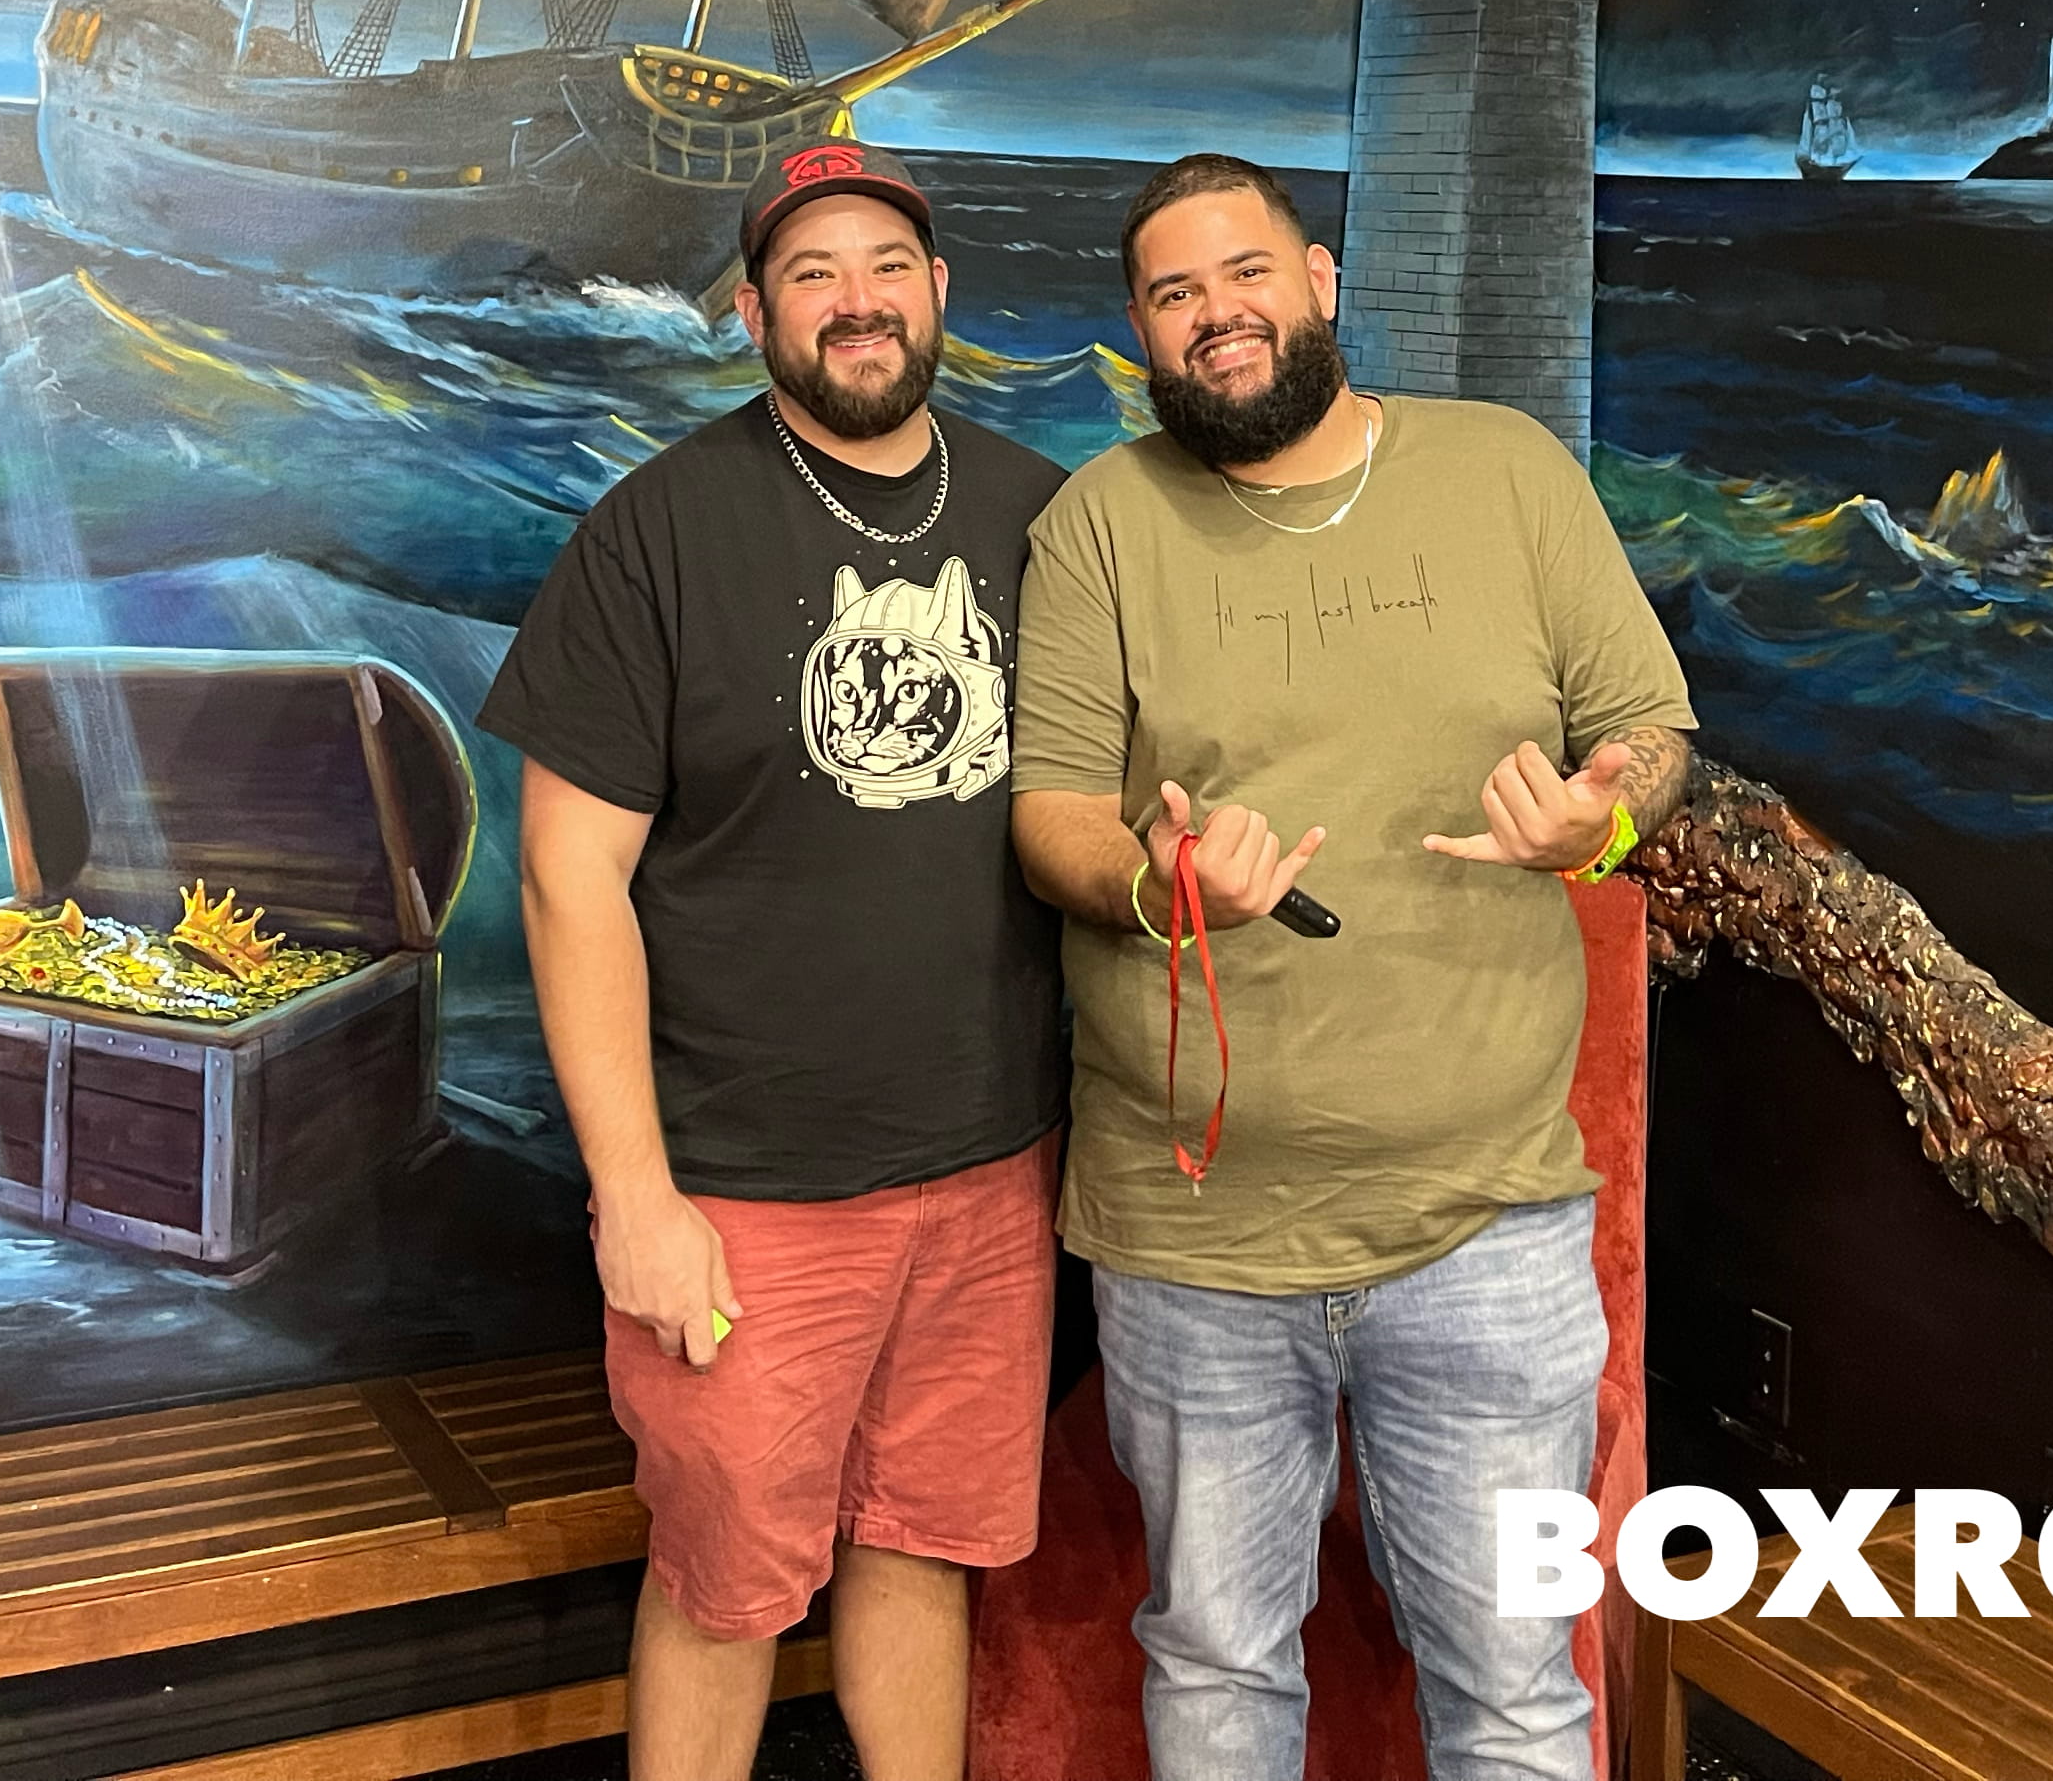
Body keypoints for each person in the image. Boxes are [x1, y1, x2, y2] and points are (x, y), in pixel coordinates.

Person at [1007, 153, 1698, 1781]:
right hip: (1194, 1233)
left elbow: (1650, 730)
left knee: (1517, 1691)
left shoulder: (1505, 470)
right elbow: (1049, 817)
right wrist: (1156, 883)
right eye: (1174, 294)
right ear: (1141, 329)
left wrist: (1597, 821)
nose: (1216, 315)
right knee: (1217, 1664)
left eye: (1245, 273)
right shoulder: (1099, 522)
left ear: (1320, 278)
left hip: (1487, 1224)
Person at [490, 139, 1066, 1781]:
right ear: (752, 313)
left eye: (884, 265)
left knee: (921, 1552)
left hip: (989, 1175)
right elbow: (566, 877)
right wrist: (637, 1197)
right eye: (812, 274)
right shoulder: (655, 532)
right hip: (743, 1198)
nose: (855, 301)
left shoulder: (1042, 512)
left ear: (938, 290)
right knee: (724, 1592)